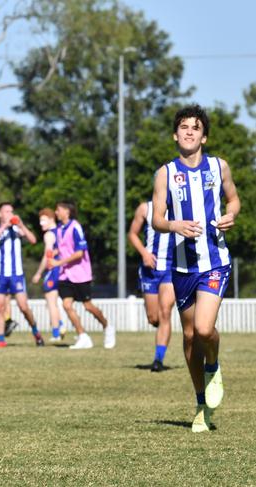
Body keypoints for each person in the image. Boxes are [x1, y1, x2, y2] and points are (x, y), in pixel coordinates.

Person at [152, 104, 239, 432]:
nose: (190, 131)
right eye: (184, 127)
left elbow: (234, 199)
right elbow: (157, 218)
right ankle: (202, 404)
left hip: (215, 261)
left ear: (204, 136)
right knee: (190, 338)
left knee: (204, 329)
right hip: (182, 268)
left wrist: (231, 214)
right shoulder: (165, 173)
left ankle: (213, 366)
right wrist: (174, 226)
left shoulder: (219, 167)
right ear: (176, 135)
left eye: (196, 127)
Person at [51, 200, 115, 349]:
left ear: (67, 211)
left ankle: (107, 326)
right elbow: (62, 249)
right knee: (67, 305)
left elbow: (79, 253)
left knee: (88, 306)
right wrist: (52, 255)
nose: (56, 212)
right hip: (65, 275)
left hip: (79, 274)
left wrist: (59, 262)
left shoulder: (76, 227)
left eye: (58, 209)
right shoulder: (59, 229)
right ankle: (83, 336)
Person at [0, 202, 44, 348]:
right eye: (6, 211)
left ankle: (36, 332)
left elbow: (33, 240)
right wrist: (5, 226)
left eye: (11, 211)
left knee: (23, 306)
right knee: (0, 306)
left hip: (16, 274)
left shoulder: (18, 230)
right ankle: (1, 339)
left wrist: (21, 225)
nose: (10, 214)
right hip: (0, 273)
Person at [128, 199, 174, 372]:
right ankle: (158, 324)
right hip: (150, 269)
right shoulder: (145, 208)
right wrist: (144, 254)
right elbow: (132, 234)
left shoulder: (181, 207)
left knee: (165, 312)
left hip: (172, 267)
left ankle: (158, 360)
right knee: (153, 318)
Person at [32, 208, 66, 342]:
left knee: (51, 302)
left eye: (43, 220)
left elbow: (48, 255)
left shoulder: (49, 235)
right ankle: (61, 325)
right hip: (64, 269)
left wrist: (39, 273)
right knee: (54, 303)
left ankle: (56, 333)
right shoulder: (61, 230)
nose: (41, 223)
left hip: (53, 271)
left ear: (52, 219)